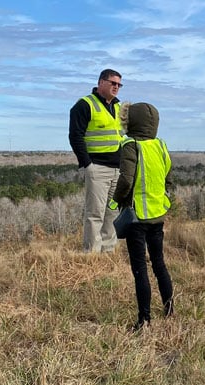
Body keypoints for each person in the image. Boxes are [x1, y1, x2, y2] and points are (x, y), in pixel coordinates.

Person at [109, 102, 174, 331]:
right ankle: (169, 309)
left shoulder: (130, 145)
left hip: (137, 218)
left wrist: (116, 200)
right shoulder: (160, 145)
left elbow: (126, 179)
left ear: (131, 121)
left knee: (139, 269)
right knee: (159, 264)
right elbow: (168, 175)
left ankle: (144, 320)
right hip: (157, 214)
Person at [69, 69, 125, 253]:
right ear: (101, 82)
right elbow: (75, 136)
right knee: (95, 214)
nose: (116, 87)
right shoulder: (85, 105)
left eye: (119, 84)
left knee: (112, 212)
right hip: (97, 168)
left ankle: (108, 251)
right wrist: (87, 165)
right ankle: (92, 254)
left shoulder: (118, 107)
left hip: (117, 169)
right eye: (113, 83)